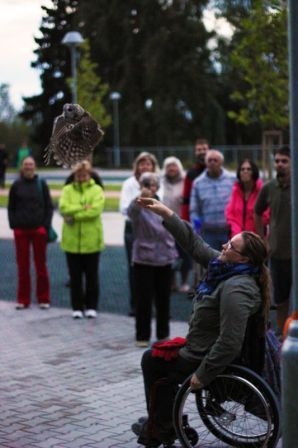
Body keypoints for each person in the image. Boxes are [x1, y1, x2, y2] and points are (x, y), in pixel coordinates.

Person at [131, 197, 271, 447]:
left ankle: (162, 426)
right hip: (200, 344)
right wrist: (166, 213)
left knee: (152, 361)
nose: (225, 246)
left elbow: (230, 342)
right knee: (158, 354)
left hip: (203, 356)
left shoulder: (236, 290)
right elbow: (195, 245)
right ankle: (163, 419)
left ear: (244, 260)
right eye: (229, 241)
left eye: (231, 246)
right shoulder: (227, 267)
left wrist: (202, 375)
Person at [127, 172, 178, 348]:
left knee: (164, 299)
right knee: (143, 300)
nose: (151, 188)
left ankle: (163, 334)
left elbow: (173, 223)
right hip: (144, 259)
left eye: (153, 184)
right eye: (147, 184)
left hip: (165, 257)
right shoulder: (138, 205)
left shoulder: (163, 203)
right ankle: (142, 335)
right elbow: (131, 213)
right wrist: (140, 198)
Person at [59, 160, 105, 319]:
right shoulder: (67, 189)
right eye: (78, 175)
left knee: (92, 276)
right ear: (74, 175)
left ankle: (91, 306)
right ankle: (77, 307)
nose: (81, 177)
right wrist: (82, 208)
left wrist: (74, 215)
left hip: (92, 241)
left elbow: (95, 211)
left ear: (89, 174)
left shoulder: (97, 189)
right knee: (75, 277)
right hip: (71, 242)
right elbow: (63, 208)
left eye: (84, 174)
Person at [254, 145, 291, 336]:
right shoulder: (268, 187)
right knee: (280, 298)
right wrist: (262, 239)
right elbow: (257, 211)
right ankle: (281, 334)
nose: (280, 165)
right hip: (278, 251)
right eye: (277, 161)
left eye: (284, 161)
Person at [7, 156, 53, 309]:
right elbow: (11, 207)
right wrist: (15, 226)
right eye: (26, 164)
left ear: (35, 166)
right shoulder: (16, 185)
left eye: (31, 164)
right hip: (21, 231)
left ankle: (43, 298)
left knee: (41, 266)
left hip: (38, 230)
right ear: (22, 167)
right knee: (23, 267)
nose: (28, 167)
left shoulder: (41, 184)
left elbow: (49, 206)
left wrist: (45, 226)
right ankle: (23, 299)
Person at [119, 152, 160, 317]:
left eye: (148, 164)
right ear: (137, 166)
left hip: (154, 230)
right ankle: (136, 305)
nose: (145, 166)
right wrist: (141, 203)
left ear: (153, 166)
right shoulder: (129, 184)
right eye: (142, 164)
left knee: (156, 267)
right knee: (135, 268)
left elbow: (161, 204)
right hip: (133, 230)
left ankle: (155, 305)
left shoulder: (158, 183)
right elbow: (124, 209)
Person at [190, 149, 235, 250]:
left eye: (215, 160)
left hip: (229, 232)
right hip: (208, 234)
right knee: (211, 263)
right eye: (210, 160)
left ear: (221, 162)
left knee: (230, 263)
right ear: (206, 163)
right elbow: (194, 209)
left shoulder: (232, 179)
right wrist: (197, 229)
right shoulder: (198, 183)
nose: (212, 162)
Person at [161, 156, 192, 292]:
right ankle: (172, 282)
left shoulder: (185, 181)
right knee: (169, 253)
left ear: (179, 168)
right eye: (169, 166)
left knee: (184, 253)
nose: (172, 169)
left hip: (182, 223)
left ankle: (184, 281)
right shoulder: (161, 182)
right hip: (165, 224)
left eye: (174, 166)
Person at [225, 159, 269, 236]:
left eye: (249, 169)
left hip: (256, 236)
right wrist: (237, 233)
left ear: (254, 172)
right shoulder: (235, 190)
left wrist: (253, 233)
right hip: (237, 236)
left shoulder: (261, 190)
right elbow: (230, 214)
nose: (245, 171)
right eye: (242, 169)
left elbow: (266, 214)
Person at [181, 138, 209, 222]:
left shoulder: (218, 171)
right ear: (195, 152)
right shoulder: (191, 174)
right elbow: (186, 199)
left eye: (204, 149)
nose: (202, 152)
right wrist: (186, 221)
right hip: (197, 219)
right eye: (199, 150)